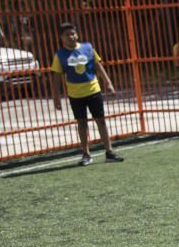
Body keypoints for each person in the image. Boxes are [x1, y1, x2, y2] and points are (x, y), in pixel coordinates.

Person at [51, 22, 124, 166]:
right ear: (61, 38)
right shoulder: (60, 55)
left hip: (93, 90)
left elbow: (98, 66)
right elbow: (56, 77)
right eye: (67, 35)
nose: (71, 37)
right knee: (82, 124)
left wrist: (108, 83)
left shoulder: (88, 48)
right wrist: (56, 98)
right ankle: (86, 154)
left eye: (73, 33)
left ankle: (109, 152)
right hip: (75, 95)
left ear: (77, 34)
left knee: (101, 120)